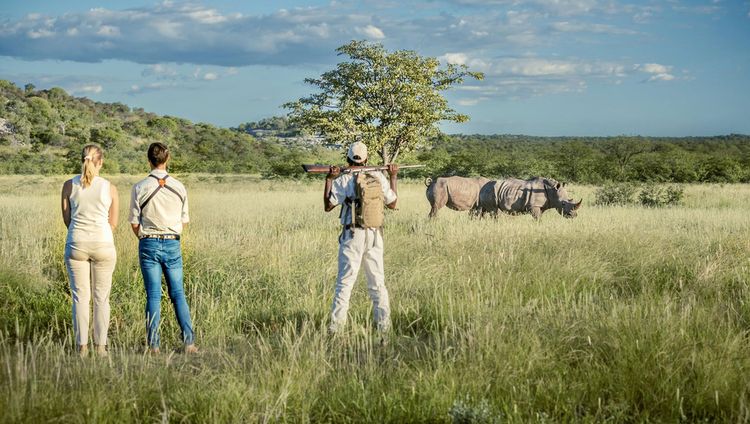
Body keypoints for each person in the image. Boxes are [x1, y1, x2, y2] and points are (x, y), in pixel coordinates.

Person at [323, 141, 399, 335]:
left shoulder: (343, 180)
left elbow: (328, 205)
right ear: (366, 159)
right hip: (374, 235)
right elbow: (392, 203)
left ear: (348, 158)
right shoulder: (378, 176)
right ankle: (384, 328)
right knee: (377, 283)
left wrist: (329, 179)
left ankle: (336, 329)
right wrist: (393, 176)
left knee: (345, 284)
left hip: (352, 235)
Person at [128, 142, 197, 354]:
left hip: (148, 242)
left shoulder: (139, 187)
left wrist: (144, 235)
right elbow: (184, 220)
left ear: (149, 159)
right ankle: (189, 343)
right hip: (172, 242)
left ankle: (154, 346)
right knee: (178, 294)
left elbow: (134, 222)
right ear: (167, 159)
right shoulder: (179, 186)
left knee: (153, 296)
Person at [60, 144, 118, 357]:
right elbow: (113, 222)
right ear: (100, 162)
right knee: (102, 298)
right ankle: (101, 348)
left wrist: (80, 234)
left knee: (80, 297)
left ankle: (81, 347)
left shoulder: (68, 185)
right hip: (103, 243)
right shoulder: (109, 187)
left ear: (81, 160)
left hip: (77, 243)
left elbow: (67, 219)